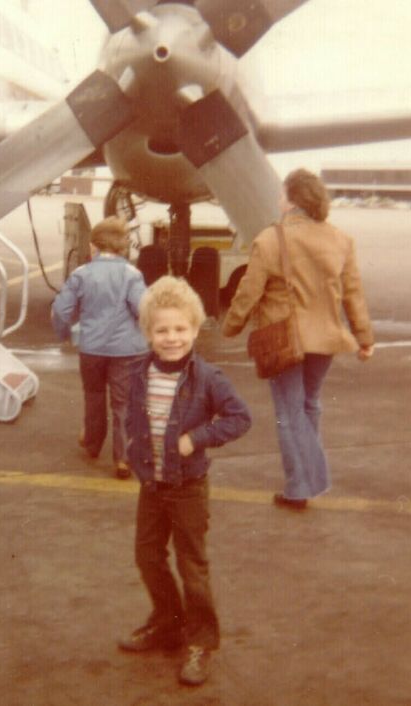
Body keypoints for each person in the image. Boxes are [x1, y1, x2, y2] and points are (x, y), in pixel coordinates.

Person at [118, 276, 251, 687]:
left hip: (188, 487)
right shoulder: (138, 371)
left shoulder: (208, 377)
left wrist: (198, 438)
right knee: (147, 556)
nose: (172, 338)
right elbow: (132, 415)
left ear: (195, 329)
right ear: (148, 333)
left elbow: (239, 418)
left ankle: (201, 642)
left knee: (192, 566)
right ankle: (168, 622)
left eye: (180, 329)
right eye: (162, 330)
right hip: (152, 486)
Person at [221, 168, 374, 510]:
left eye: (282, 194)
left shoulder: (269, 240)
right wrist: (364, 337)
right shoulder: (341, 240)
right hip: (326, 339)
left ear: (292, 201)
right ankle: (307, 479)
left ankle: (301, 485)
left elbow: (249, 292)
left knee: (289, 411)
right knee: (310, 404)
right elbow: (353, 294)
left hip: (284, 339)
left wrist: (230, 326)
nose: (278, 200)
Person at [51, 216, 148, 479]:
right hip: (127, 351)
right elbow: (142, 309)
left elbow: (61, 310)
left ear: (94, 246)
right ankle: (123, 459)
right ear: (122, 247)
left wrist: (64, 334)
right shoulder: (132, 275)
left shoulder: (81, 274)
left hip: (91, 349)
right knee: (123, 403)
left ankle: (93, 444)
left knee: (93, 395)